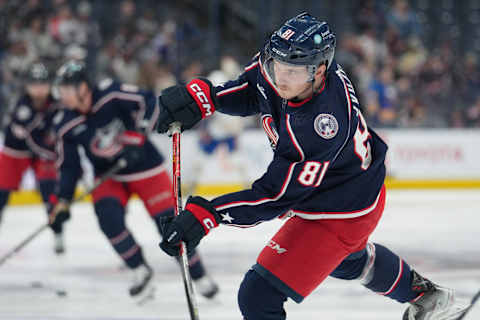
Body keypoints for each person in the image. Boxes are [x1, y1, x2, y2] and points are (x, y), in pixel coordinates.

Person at [154, 12, 469, 320]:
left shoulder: (320, 124)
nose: (280, 76)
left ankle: (423, 295)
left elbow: (276, 196)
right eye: (277, 65)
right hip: (351, 189)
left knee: (258, 296)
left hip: (339, 211)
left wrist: (209, 214)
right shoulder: (286, 64)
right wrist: (206, 98)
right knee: (348, 261)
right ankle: (429, 297)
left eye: (293, 71)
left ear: (319, 72)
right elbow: (255, 90)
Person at [49, 60, 218, 300]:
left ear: (83, 87)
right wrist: (63, 199)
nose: (62, 95)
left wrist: (138, 134)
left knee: (169, 224)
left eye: (66, 89)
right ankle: (139, 268)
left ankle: (198, 274)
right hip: (110, 176)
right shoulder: (65, 123)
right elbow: (69, 166)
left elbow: (147, 100)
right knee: (109, 219)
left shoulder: (110, 93)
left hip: (146, 168)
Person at [0, 62, 67, 254]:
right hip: (15, 153)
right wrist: (52, 153)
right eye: (34, 84)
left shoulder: (57, 104)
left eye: (43, 84)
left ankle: (58, 233)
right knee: (1, 193)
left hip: (42, 153)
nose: (39, 89)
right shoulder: (20, 106)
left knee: (50, 191)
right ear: (27, 86)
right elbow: (31, 139)